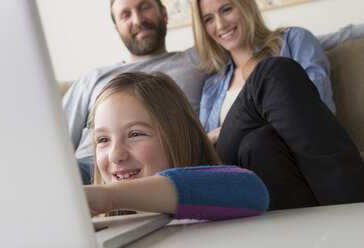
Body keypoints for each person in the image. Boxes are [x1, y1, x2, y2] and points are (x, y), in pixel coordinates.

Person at [191, 0, 364, 210]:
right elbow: (205, 148)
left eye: (226, 10)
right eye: (208, 19)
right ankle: (354, 205)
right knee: (270, 73)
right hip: (231, 165)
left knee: (258, 142)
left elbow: (318, 109)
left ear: (246, 6)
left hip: (278, 158)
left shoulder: (293, 40)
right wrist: (215, 135)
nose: (220, 24)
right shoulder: (212, 84)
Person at [84, 71, 269, 220]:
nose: (115, 155)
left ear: (178, 137)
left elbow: (253, 190)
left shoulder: (212, 198)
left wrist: (110, 196)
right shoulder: (104, 224)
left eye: (135, 134)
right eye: (103, 140)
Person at [63, 0, 207, 184]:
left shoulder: (198, 59)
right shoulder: (93, 78)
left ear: (164, 13)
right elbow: (55, 142)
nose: (138, 20)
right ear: (117, 29)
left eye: (144, 7)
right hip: (86, 167)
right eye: (125, 15)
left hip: (150, 165)